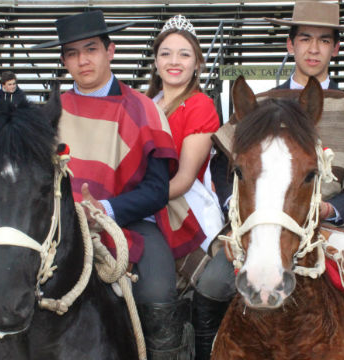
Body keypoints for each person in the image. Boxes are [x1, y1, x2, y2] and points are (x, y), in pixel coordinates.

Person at [211, 2, 344, 359]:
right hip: (261, 221)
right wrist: (237, 211)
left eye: (324, 40)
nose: (314, 49)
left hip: (338, 222)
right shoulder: (259, 106)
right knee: (209, 284)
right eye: (305, 39)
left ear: (336, 48)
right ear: (290, 45)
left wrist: (333, 206)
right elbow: (223, 171)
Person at [33, 10, 193, 358]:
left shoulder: (143, 109)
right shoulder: (49, 114)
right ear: (64, 61)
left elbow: (155, 192)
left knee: (158, 293)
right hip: (61, 229)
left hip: (129, 223)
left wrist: (104, 209)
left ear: (111, 51)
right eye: (72, 53)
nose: (82, 60)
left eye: (90, 49)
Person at [144, 15, 223, 359]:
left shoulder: (201, 106)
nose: (174, 62)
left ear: (197, 63)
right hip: (145, 206)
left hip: (184, 209)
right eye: (166, 53)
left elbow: (185, 178)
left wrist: (131, 204)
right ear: (156, 61)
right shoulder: (141, 105)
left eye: (184, 54)